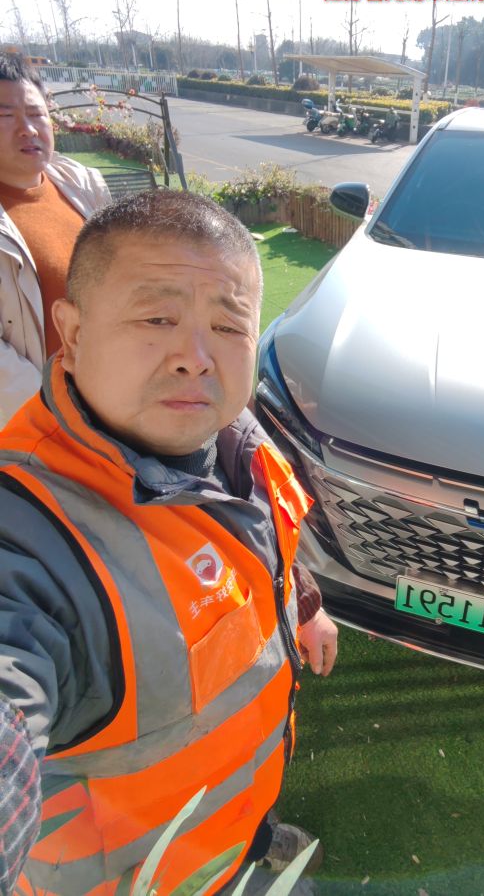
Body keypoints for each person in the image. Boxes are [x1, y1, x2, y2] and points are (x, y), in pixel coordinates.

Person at [0, 190, 338, 895]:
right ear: (73, 332)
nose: (195, 358)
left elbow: (259, 540)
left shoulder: (235, 435)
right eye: (157, 318)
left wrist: (305, 607)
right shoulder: (29, 538)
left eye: (228, 324)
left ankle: (255, 838)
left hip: (234, 805)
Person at [0, 51, 111, 428]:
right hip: (41, 423)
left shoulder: (83, 185)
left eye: (36, 114)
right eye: (5, 116)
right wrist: (51, 409)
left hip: (111, 400)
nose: (28, 129)